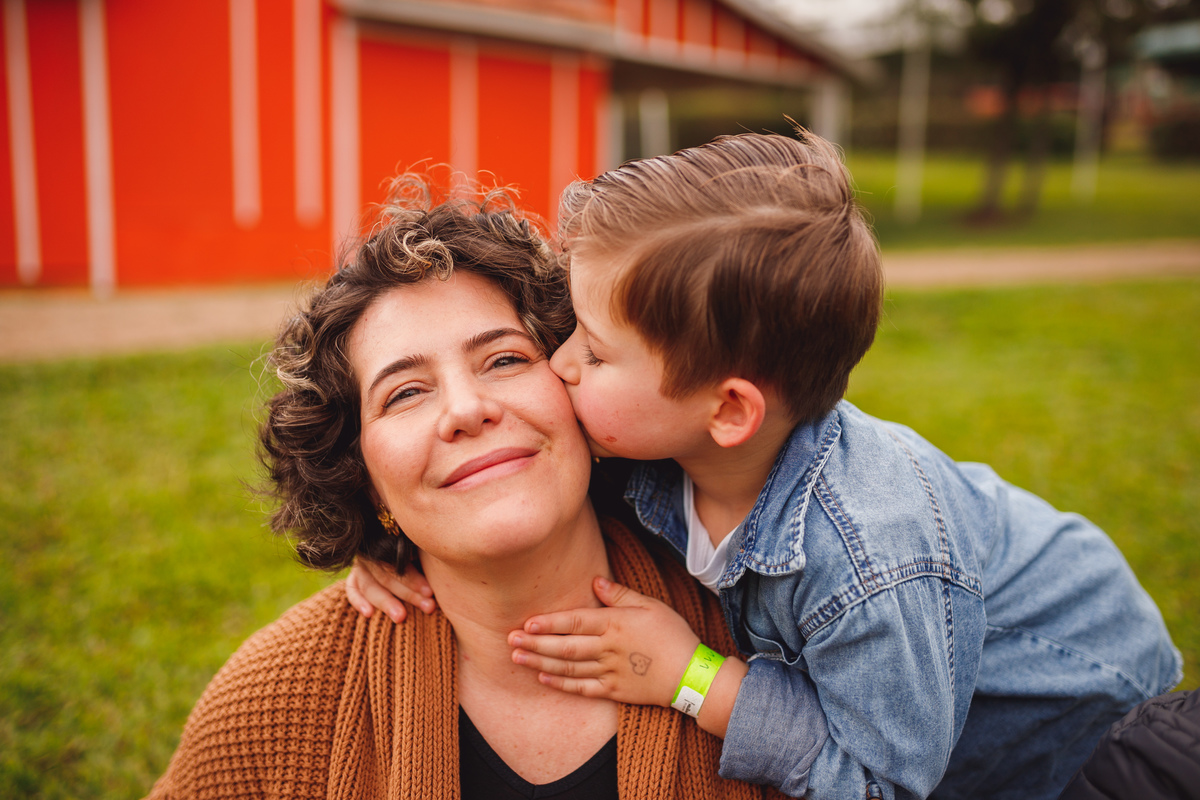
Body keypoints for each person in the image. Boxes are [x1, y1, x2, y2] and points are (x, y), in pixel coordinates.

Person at [346, 130, 1183, 800]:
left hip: (1091, 727)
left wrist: (693, 678)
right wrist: (401, 544)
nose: (559, 366)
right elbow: (509, 488)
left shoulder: (870, 557)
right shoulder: (675, 444)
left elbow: (878, 783)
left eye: (595, 355)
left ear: (731, 410)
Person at [145, 180, 787, 799]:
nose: (466, 408)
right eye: (405, 393)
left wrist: (701, 682)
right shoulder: (271, 706)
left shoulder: (783, 637)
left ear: (582, 385)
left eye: (505, 359)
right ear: (362, 476)